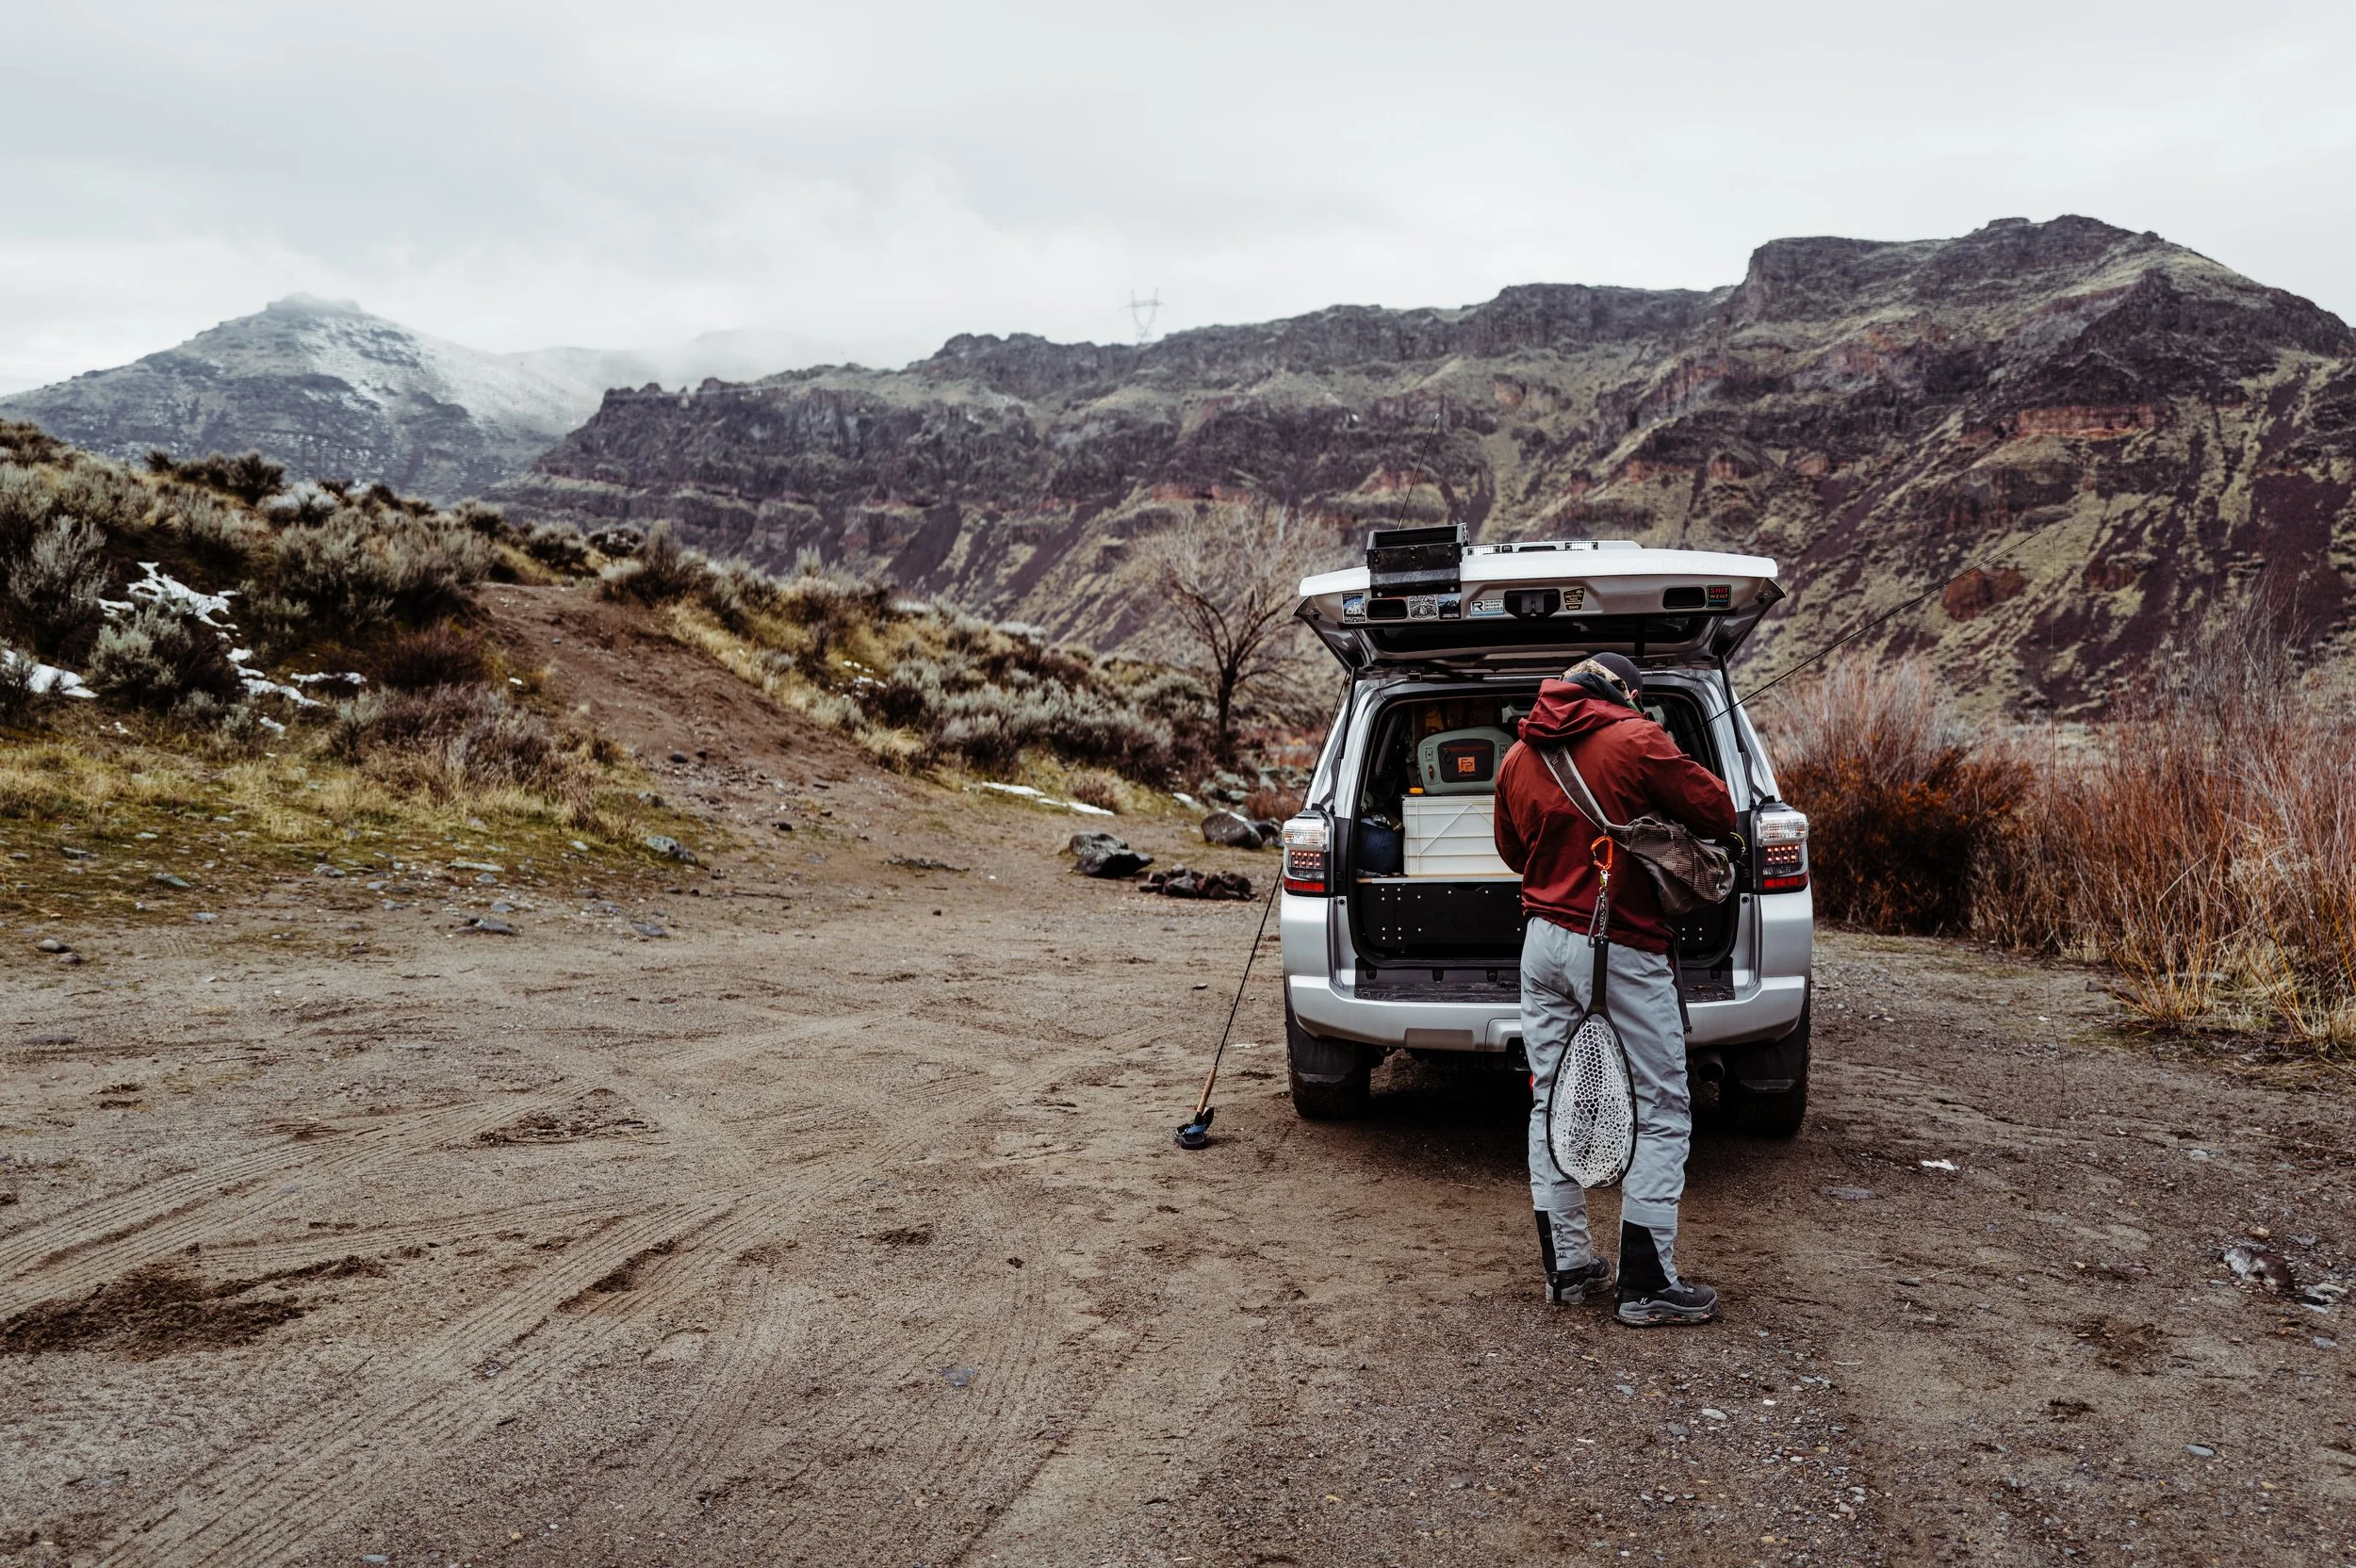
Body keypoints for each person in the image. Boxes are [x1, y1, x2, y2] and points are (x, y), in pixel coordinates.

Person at [1493, 652, 1736, 1326]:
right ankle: (1648, 1282)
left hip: (1541, 942)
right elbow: (1719, 810)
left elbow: (1515, 854)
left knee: (1550, 1096)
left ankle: (1568, 1267)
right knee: (1660, 1103)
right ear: (1625, 692)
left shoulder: (1518, 757)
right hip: (1621, 941)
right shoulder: (1636, 737)